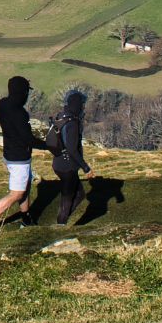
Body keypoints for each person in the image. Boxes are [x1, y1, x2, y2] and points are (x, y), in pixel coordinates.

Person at [0, 74, 36, 226]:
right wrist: (50, 146)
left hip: (10, 154)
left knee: (24, 188)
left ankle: (26, 219)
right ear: (23, 93)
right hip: (19, 159)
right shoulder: (20, 114)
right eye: (26, 92)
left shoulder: (3, 104)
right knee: (17, 193)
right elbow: (29, 139)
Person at [51, 87, 91, 226]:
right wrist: (86, 168)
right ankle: (60, 225)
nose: (83, 108)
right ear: (77, 105)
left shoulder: (61, 116)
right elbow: (72, 150)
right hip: (67, 167)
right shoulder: (72, 123)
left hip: (58, 163)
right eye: (82, 104)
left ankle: (62, 221)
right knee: (67, 198)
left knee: (79, 194)